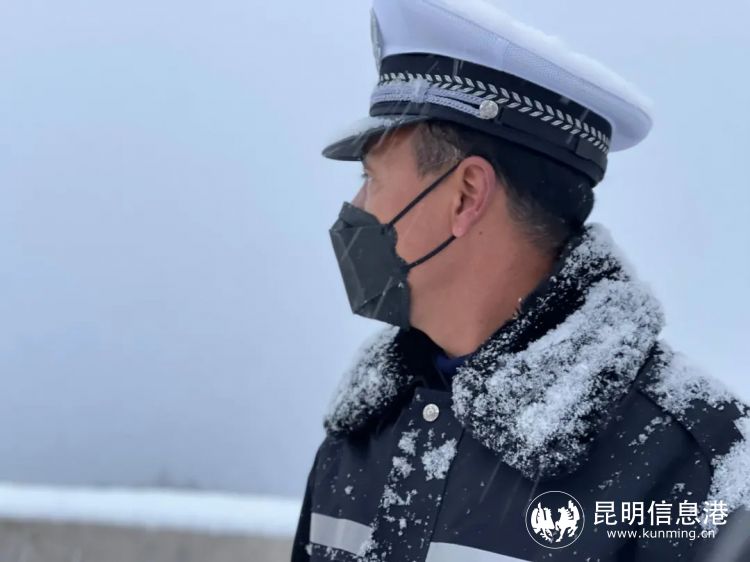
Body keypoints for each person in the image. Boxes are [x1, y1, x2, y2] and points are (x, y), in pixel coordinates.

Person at [292, 1, 750, 560]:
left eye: (371, 177)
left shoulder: (697, 465)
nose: (356, 207)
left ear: (466, 196)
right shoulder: (364, 431)